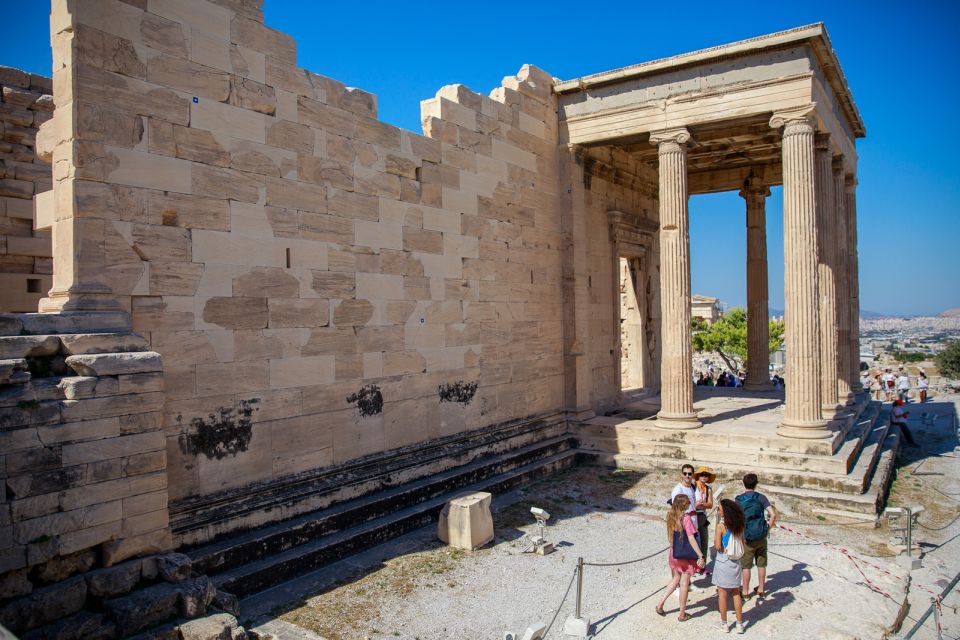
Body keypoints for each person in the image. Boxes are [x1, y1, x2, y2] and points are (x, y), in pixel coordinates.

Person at [655, 494, 705, 621]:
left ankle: (660, 603)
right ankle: (682, 614)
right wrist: (700, 555)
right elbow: (691, 538)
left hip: (674, 552)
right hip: (685, 555)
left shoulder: (670, 515)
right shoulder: (686, 519)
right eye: (688, 502)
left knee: (675, 579)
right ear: (684, 505)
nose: (690, 503)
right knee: (684, 583)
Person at [736, 473, 777, 601]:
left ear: (744, 483)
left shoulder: (739, 499)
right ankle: (761, 589)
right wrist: (767, 529)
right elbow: (773, 515)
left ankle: (746, 592)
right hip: (761, 535)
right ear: (756, 484)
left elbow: (736, 518)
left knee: (746, 566)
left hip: (747, 536)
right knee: (761, 564)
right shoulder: (761, 497)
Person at [713, 499, 747, 634]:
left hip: (724, 560)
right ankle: (739, 624)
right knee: (736, 592)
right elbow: (743, 543)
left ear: (725, 511)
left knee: (722, 593)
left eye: (720, 508)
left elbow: (717, 546)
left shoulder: (721, 527)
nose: (718, 510)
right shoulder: (740, 525)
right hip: (736, 561)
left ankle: (724, 624)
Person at [694, 466, 716, 575]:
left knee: (704, 541)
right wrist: (700, 504)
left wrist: (701, 504)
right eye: (702, 474)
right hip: (692, 516)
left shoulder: (708, 489)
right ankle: (692, 566)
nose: (704, 477)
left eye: (706, 475)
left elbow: (710, 504)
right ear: (698, 475)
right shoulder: (692, 487)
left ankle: (702, 566)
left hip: (702, 516)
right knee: (692, 541)